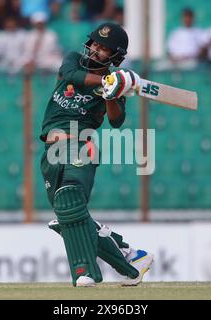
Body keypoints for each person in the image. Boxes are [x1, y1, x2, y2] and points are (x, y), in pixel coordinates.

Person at [39, 22, 154, 287]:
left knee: (70, 201)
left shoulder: (114, 85)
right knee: (67, 218)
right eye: (95, 44)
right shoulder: (73, 61)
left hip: (81, 146)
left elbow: (116, 121)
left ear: (115, 57)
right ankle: (132, 258)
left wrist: (112, 93)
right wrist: (108, 81)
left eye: (103, 49)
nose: (95, 50)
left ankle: (85, 273)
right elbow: (71, 75)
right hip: (51, 152)